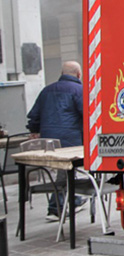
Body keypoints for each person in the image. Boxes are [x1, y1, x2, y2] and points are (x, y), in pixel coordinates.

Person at [26, 61, 87, 221]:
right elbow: (88, 115)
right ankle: (56, 207)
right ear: (79, 75)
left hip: (48, 141)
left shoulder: (46, 90)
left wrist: (34, 130)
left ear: (61, 73)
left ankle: (73, 200)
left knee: (63, 172)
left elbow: (34, 115)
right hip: (70, 140)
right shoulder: (79, 90)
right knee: (66, 171)